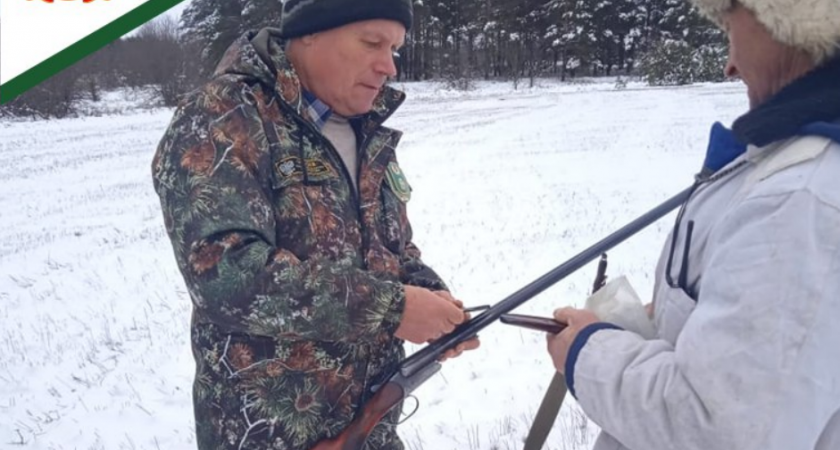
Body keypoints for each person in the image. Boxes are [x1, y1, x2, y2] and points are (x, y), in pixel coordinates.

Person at [151, 1, 479, 449]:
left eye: (396, 48)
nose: (390, 66)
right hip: (269, 437)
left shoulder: (363, 129)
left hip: (371, 430)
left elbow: (392, 249)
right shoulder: (223, 117)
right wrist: (393, 308)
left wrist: (433, 298)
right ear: (309, 31)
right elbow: (224, 274)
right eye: (371, 43)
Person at [545, 0, 840, 449]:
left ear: (784, 23)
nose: (730, 64)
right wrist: (667, 316)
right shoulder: (790, 171)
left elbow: (718, 427)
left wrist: (587, 352)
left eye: (732, 28)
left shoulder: (800, 201)